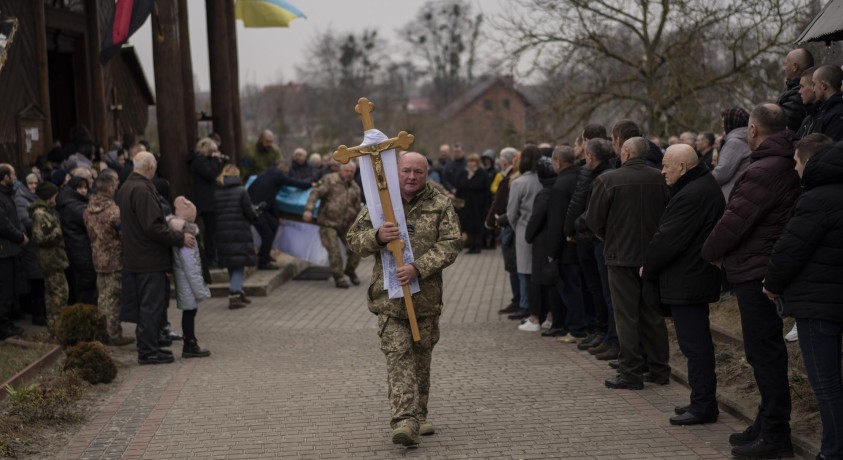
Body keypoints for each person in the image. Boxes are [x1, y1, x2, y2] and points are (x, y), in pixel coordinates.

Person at [702, 103, 800, 459]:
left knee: (764, 353)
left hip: (756, 269)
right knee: (762, 352)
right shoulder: (781, 161)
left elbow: (735, 219)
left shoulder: (765, 169)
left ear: (753, 131)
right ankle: (766, 420)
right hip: (757, 265)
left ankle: (776, 434)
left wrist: (709, 251)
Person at [347, 151, 460, 447]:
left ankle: (419, 415)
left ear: (426, 174)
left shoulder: (440, 203)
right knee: (399, 358)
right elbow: (353, 239)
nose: (411, 177)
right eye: (406, 171)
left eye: (418, 172)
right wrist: (377, 237)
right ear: (397, 172)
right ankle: (404, 422)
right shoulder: (380, 204)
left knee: (421, 361)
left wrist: (417, 268)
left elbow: (451, 244)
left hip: (425, 300)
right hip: (389, 300)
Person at [763, 133, 840, 460]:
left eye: (796, 162)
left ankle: (833, 451)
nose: (794, 168)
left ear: (809, 162)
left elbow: (790, 249)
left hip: (817, 302)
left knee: (825, 384)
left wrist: (772, 282)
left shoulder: (815, 199)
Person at [642, 144, 725, 425]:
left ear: (682, 167)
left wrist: (649, 266)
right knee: (694, 345)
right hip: (689, 277)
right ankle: (700, 400)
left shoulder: (693, 193)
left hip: (689, 280)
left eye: (666, 165)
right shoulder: (697, 186)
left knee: (695, 346)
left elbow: (669, 238)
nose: (662, 170)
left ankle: (703, 405)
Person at [587, 136, 671, 390]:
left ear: (625, 152)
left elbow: (593, 221)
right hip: (653, 255)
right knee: (652, 314)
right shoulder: (661, 178)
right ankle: (659, 368)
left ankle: (631, 371)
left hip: (620, 256)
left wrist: (608, 237)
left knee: (626, 316)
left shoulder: (608, 180)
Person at [116, 151, 194, 365]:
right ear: (150, 167)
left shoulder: (127, 186)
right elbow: (152, 226)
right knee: (152, 305)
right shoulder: (141, 189)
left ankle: (148, 346)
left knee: (147, 306)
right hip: (148, 257)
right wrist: (179, 237)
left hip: (137, 255)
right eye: (155, 167)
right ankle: (148, 350)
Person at [84, 171, 133, 346]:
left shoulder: (88, 209)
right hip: (115, 259)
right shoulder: (114, 211)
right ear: (111, 188)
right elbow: (124, 235)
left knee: (103, 297)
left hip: (97, 258)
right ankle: (112, 334)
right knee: (113, 297)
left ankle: (102, 331)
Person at [303, 162, 362, 289]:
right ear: (340, 171)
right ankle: (339, 277)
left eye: (352, 171)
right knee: (334, 251)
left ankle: (350, 270)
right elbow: (315, 193)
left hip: (346, 224)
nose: (349, 173)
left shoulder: (355, 187)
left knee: (356, 248)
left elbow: (357, 207)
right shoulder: (330, 179)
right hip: (328, 222)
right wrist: (309, 209)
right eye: (346, 170)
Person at [247, 158, 312, 270]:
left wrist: (276, 216)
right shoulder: (278, 175)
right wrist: (310, 184)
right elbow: (294, 183)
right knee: (267, 235)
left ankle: (265, 254)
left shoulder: (268, 172)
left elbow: (271, 198)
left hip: (259, 207)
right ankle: (263, 262)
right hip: (254, 209)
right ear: (285, 169)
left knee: (273, 225)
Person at [168, 197, 211, 358]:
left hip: (186, 282)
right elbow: (190, 268)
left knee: (189, 312)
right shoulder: (188, 239)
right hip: (188, 284)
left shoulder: (181, 233)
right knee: (189, 312)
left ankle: (190, 342)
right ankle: (190, 344)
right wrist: (200, 290)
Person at [506, 146, 543, 321]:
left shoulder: (518, 183)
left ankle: (530, 309)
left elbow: (511, 213)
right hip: (544, 231)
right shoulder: (546, 180)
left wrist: (516, 228)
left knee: (526, 273)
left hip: (523, 230)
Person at [215, 165, 260, 309]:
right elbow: (248, 211)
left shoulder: (217, 192)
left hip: (222, 232)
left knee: (231, 263)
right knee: (239, 265)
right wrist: (255, 214)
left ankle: (239, 291)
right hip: (239, 231)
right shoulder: (241, 191)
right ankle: (234, 294)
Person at [28, 181, 68, 337]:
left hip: (55, 258)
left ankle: (55, 328)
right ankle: (57, 328)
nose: (56, 198)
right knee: (59, 294)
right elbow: (39, 237)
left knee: (54, 295)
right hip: (50, 260)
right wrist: (57, 232)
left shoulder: (48, 211)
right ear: (48, 196)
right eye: (54, 195)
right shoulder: (40, 213)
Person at [486, 147, 521, 314]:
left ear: (505, 161)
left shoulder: (510, 177)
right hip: (509, 224)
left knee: (513, 265)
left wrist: (490, 222)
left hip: (508, 225)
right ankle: (519, 299)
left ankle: (519, 300)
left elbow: (499, 202)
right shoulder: (509, 176)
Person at [57, 175, 96, 305]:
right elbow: (90, 219)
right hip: (81, 251)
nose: (84, 190)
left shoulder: (72, 202)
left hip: (79, 250)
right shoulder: (72, 205)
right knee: (86, 286)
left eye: (85, 187)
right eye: (80, 187)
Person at [15, 171, 46, 326]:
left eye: (35, 183)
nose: (33, 186)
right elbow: (26, 222)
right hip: (31, 247)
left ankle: (40, 314)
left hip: (37, 247)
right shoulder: (21, 199)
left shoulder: (35, 198)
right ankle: (37, 316)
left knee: (40, 283)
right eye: (30, 184)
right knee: (36, 284)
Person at [0, 165, 27, 339]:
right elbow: (3, 224)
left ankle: (8, 323)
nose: (15, 178)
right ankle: (3, 328)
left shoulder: (7, 195)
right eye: (13, 175)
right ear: (5, 177)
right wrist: (20, 236)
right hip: (4, 252)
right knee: (4, 292)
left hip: (9, 251)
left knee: (9, 291)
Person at [188, 137, 224, 268]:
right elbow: (211, 174)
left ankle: (214, 256)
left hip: (210, 200)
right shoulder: (199, 161)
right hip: (206, 202)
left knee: (213, 230)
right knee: (210, 231)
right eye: (213, 150)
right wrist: (215, 160)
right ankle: (210, 258)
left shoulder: (204, 161)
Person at [712, 107, 751, 200]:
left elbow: (721, 174)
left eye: (724, 122)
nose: (722, 126)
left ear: (731, 122)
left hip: (730, 194)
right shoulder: (746, 138)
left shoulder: (735, 142)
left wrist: (705, 179)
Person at [455, 153, 489, 254]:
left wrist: (487, 205)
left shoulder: (482, 173)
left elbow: (486, 189)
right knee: (468, 225)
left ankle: (478, 245)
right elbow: (459, 187)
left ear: (477, 163)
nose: (471, 163)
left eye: (473, 161)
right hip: (466, 204)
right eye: (469, 161)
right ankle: (471, 245)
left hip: (478, 204)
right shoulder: (463, 173)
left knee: (477, 225)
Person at [780, 48, 814, 133]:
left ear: (795, 67)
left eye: (786, 64)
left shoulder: (797, 96)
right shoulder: (793, 90)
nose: (784, 68)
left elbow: (780, 127)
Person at [809, 65, 843, 141]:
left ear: (823, 86)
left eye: (814, 84)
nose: (813, 89)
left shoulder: (838, 114)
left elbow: (830, 147)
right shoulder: (821, 110)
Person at [796, 67, 819, 139]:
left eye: (802, 86)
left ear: (813, 86)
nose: (799, 91)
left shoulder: (829, 116)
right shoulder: (808, 119)